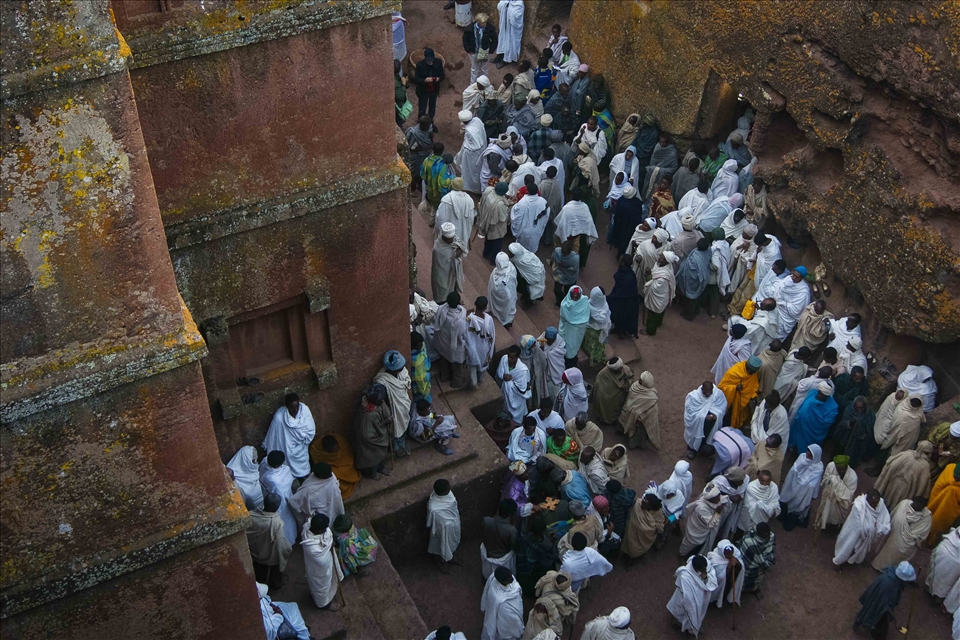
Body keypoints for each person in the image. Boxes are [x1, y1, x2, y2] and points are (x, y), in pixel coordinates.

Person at [854, 561, 916, 639]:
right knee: (878, 619)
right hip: (881, 603)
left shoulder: (892, 575)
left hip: (879, 599)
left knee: (870, 611)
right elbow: (884, 603)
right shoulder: (889, 585)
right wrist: (889, 610)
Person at [263, 394, 315, 479]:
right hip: (287, 448)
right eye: (292, 408)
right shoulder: (279, 417)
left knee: (304, 466)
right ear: (287, 406)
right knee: (288, 458)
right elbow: (275, 436)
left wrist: (303, 438)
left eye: (297, 407)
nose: (296, 410)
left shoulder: (304, 410)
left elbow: (310, 429)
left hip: (302, 446)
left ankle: (304, 475)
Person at [247, 492, 293, 589]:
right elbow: (282, 543)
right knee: (275, 572)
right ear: (277, 507)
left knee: (260, 572)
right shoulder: (277, 523)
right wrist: (287, 549)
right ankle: (275, 584)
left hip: (256, 551)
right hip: (271, 554)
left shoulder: (251, 515)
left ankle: (260, 586)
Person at [833, 489, 891, 566]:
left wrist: (875, 527)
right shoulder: (858, 506)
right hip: (853, 532)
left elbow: (886, 522)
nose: (875, 506)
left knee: (860, 550)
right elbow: (861, 528)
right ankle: (838, 562)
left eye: (877, 503)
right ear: (867, 500)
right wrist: (875, 527)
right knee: (848, 545)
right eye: (873, 504)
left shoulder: (880, 503)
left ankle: (854, 560)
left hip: (867, 537)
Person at [872, 497, 931, 571]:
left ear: (924, 507)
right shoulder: (904, 505)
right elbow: (894, 515)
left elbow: (921, 533)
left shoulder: (926, 517)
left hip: (907, 542)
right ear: (913, 501)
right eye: (917, 503)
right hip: (893, 533)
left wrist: (909, 536)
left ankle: (889, 570)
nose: (917, 506)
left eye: (920, 505)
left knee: (896, 555)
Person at [667, 555, 718, 637]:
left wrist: (705, 578)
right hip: (686, 600)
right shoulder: (685, 576)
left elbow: (712, 580)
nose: (704, 570)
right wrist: (693, 606)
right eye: (702, 569)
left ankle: (694, 625)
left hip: (702, 598)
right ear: (696, 569)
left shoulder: (706, 565)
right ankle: (680, 624)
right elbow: (688, 596)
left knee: (698, 613)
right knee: (685, 613)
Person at [374, 349, 412, 458]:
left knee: (403, 424)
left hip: (404, 405)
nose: (402, 368)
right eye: (400, 367)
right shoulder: (382, 380)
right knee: (395, 428)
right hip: (393, 408)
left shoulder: (402, 371)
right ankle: (396, 447)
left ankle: (402, 444)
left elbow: (406, 380)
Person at [301, 514, 343, 610]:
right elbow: (322, 561)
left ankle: (330, 593)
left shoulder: (307, 526)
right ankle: (324, 604)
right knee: (321, 587)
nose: (327, 529)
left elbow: (329, 534)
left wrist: (331, 542)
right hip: (319, 571)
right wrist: (330, 544)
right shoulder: (312, 548)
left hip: (326, 564)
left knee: (329, 582)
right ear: (319, 530)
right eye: (324, 529)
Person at [875, 441, 934, 509]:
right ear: (928, 453)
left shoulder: (905, 454)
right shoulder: (925, 466)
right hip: (906, 491)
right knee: (896, 507)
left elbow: (890, 466)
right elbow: (922, 486)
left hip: (892, 483)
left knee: (885, 500)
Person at [779, 444, 824, 528]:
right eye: (808, 451)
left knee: (796, 508)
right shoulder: (802, 457)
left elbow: (813, 483)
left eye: (810, 453)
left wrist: (803, 487)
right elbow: (793, 470)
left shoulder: (818, 467)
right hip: (791, 485)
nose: (807, 453)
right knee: (784, 502)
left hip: (803, 492)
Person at [288, 461, 344, 528]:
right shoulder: (331, 477)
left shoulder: (308, 490)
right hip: (327, 512)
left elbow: (294, 502)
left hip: (320, 515)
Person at [259, 451, 298, 546]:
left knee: (283, 519)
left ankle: (287, 540)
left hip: (278, 498)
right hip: (281, 497)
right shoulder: (283, 471)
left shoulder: (266, 467)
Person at [612, 371, 658, 450]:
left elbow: (651, 411)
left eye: (641, 380)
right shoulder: (635, 386)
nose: (639, 380)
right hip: (627, 412)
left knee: (637, 431)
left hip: (638, 419)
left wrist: (639, 415)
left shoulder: (651, 397)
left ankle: (634, 444)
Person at [789, 381, 838, 453]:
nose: (820, 396)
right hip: (800, 426)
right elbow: (802, 405)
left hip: (812, 433)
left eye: (823, 395)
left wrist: (812, 421)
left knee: (806, 449)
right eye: (819, 393)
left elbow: (827, 422)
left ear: (827, 396)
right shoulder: (812, 393)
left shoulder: (833, 407)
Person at [683, 381, 727, 458]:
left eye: (710, 392)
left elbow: (722, 407)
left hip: (711, 424)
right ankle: (692, 449)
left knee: (707, 437)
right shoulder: (693, 397)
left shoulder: (718, 394)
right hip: (697, 424)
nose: (708, 394)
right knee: (695, 436)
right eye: (706, 392)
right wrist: (704, 417)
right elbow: (690, 413)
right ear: (702, 389)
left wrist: (716, 415)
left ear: (712, 389)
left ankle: (704, 450)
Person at [680, 484, 727, 557]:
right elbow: (711, 524)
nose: (719, 499)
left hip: (703, 529)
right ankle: (681, 554)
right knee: (689, 543)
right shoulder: (702, 508)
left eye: (719, 496)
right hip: (696, 530)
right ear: (710, 499)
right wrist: (717, 513)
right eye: (716, 498)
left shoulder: (714, 499)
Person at [813, 455, 858, 530]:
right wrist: (832, 482)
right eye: (839, 469)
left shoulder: (853, 477)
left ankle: (835, 526)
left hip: (841, 501)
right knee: (825, 511)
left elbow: (849, 495)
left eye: (843, 469)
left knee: (836, 517)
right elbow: (825, 479)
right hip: (829, 496)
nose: (841, 471)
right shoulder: (830, 466)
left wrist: (838, 485)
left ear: (847, 466)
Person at [426, 479, 462, 572]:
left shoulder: (450, 495)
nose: (450, 488)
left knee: (451, 543)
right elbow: (431, 520)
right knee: (440, 545)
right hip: (440, 530)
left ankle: (451, 556)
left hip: (453, 525)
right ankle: (441, 562)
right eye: (448, 488)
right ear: (442, 492)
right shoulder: (433, 507)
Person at [554, 195, 599, 268]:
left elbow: (560, 223)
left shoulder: (567, 208)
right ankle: (568, 267)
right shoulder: (584, 207)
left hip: (568, 237)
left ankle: (556, 266)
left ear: (571, 196)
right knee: (574, 254)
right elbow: (588, 221)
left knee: (559, 252)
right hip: (575, 237)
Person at [834, 394, 877, 469]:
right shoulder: (849, 409)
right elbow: (842, 422)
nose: (859, 410)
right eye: (857, 408)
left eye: (861, 408)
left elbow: (869, 429)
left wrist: (860, 426)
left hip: (858, 442)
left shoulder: (870, 415)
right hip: (845, 438)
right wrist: (850, 423)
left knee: (852, 459)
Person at [642, 252, 679, 336]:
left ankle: (650, 331)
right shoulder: (660, 265)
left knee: (652, 314)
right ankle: (658, 323)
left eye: (662, 258)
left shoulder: (664, 277)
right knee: (660, 311)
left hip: (658, 297)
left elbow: (654, 287)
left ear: (667, 261)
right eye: (660, 256)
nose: (659, 258)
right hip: (663, 296)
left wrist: (648, 276)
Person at [621, 490, 665, 562]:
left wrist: (649, 526)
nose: (642, 504)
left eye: (645, 504)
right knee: (629, 545)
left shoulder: (658, 513)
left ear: (650, 507)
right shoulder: (637, 504)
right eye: (643, 501)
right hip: (631, 532)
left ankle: (633, 558)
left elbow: (660, 527)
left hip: (644, 538)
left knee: (636, 549)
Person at [482, 499, 519, 581]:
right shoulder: (511, 530)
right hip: (502, 556)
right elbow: (512, 546)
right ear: (510, 515)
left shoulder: (486, 520)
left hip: (488, 551)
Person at [676, 238, 712, 320]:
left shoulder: (694, 259)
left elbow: (690, 273)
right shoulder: (708, 251)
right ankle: (696, 310)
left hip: (694, 281)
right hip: (704, 277)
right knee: (698, 295)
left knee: (691, 298)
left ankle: (689, 315)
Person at [475, 182, 511, 263]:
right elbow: (502, 218)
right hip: (495, 227)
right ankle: (493, 260)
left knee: (488, 240)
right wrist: (508, 207)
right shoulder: (500, 204)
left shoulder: (488, 190)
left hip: (486, 220)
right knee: (496, 244)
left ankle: (485, 253)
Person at [497, 345, 532, 425]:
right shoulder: (504, 359)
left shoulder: (522, 370)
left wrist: (509, 383)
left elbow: (522, 388)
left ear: (517, 357)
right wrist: (503, 376)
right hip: (506, 394)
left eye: (512, 357)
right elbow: (499, 373)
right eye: (509, 356)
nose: (509, 359)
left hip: (517, 396)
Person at [592, 358, 634, 425]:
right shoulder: (603, 374)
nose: (621, 369)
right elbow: (599, 389)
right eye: (619, 369)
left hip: (620, 395)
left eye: (621, 367)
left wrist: (626, 385)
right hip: (608, 399)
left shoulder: (625, 369)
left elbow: (631, 379)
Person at [737, 470, 781, 534]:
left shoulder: (774, 487)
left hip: (765, 514)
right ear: (758, 479)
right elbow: (748, 503)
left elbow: (774, 501)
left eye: (767, 481)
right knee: (743, 529)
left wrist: (767, 508)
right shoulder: (751, 486)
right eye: (763, 481)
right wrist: (759, 506)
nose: (765, 484)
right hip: (749, 514)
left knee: (758, 531)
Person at [606, 256, 640, 338]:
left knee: (622, 316)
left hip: (626, 300)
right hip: (619, 296)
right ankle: (617, 328)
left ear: (624, 263)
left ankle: (621, 331)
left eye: (621, 260)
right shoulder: (625, 272)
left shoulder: (630, 276)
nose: (619, 261)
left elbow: (626, 290)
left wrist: (613, 297)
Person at [432, 222, 466, 303]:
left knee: (454, 284)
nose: (452, 240)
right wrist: (455, 255)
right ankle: (443, 302)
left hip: (453, 272)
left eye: (452, 237)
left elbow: (461, 244)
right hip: (442, 273)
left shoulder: (454, 239)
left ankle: (455, 299)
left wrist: (459, 250)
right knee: (443, 288)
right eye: (449, 239)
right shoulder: (438, 248)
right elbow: (446, 259)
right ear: (444, 237)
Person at [927, 463, 960, 545]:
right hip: (937, 500)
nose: (955, 480)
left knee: (936, 522)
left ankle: (932, 537)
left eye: (958, 479)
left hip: (946, 508)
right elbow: (938, 487)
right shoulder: (949, 470)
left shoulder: (953, 489)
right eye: (955, 476)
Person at [706, 539, 744, 609]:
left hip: (731, 579)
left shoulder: (735, 552)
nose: (730, 556)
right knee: (721, 592)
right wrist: (728, 567)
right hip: (722, 583)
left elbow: (741, 565)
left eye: (731, 553)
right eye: (727, 555)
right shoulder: (714, 559)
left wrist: (738, 562)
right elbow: (719, 577)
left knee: (727, 590)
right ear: (722, 553)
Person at [738, 522, 775, 594]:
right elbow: (741, 549)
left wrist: (764, 561)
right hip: (747, 568)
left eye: (768, 534)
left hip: (759, 570)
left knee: (756, 579)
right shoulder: (748, 540)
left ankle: (753, 588)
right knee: (743, 580)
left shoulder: (771, 536)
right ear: (758, 533)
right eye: (764, 535)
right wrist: (762, 562)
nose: (767, 537)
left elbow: (771, 550)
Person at [926, 527, 960, 604]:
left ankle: (929, 588)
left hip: (943, 550)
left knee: (934, 573)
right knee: (945, 583)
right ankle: (936, 599)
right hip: (954, 565)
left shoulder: (952, 537)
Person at [558, 286, 589, 367]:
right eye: (573, 296)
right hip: (567, 330)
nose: (574, 298)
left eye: (577, 296)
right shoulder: (565, 305)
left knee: (575, 345)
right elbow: (566, 318)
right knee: (568, 347)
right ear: (569, 295)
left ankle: (573, 360)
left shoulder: (584, 301)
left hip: (578, 332)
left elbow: (585, 316)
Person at [464, 13, 498, 83]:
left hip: (484, 52)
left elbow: (495, 39)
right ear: (478, 22)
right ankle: (472, 84)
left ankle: (484, 83)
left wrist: (490, 50)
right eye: (483, 23)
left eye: (485, 22)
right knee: (474, 69)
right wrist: (468, 50)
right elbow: (465, 40)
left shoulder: (489, 29)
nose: (485, 24)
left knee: (484, 69)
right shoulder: (470, 29)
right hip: (474, 52)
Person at [228, 445, 264, 511]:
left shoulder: (254, 468)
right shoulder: (231, 474)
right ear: (245, 460)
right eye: (253, 460)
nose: (255, 462)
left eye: (256, 460)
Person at [582, 287, 611, 366]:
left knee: (592, 344)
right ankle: (599, 357)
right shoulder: (603, 302)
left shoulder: (589, 305)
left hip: (592, 330)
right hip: (600, 330)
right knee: (599, 344)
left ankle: (592, 358)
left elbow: (600, 319)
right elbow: (604, 318)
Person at [415, 48, 444, 118]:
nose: (430, 61)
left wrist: (438, 79)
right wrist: (425, 80)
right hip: (423, 90)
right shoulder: (420, 65)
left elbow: (442, 75)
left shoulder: (438, 62)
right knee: (422, 109)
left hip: (434, 89)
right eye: (428, 60)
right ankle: (421, 122)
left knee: (432, 108)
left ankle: (430, 121)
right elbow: (417, 79)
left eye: (431, 59)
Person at [550, 240, 579, 308]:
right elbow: (554, 258)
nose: (563, 253)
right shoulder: (557, 251)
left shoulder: (575, 258)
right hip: (559, 274)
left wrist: (563, 266)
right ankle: (559, 302)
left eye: (565, 252)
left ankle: (568, 303)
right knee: (556, 290)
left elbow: (574, 269)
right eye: (562, 251)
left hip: (570, 277)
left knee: (568, 292)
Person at [494, 0, 524, 66]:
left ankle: (506, 60)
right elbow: (499, 6)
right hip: (504, 25)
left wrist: (509, 9)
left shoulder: (519, 3)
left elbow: (517, 16)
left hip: (512, 29)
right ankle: (499, 56)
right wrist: (504, 5)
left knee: (509, 44)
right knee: (502, 40)